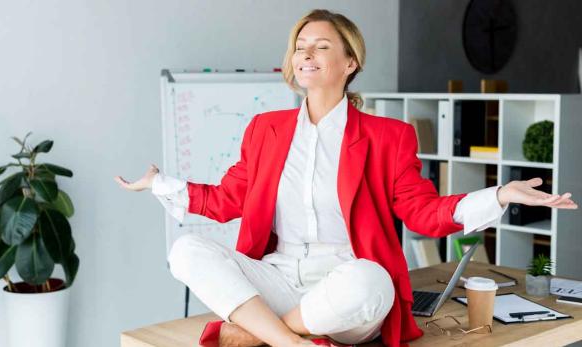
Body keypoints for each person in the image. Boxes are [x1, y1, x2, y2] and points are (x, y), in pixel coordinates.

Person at [115, 9, 577, 347]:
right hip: (276, 279)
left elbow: (422, 212)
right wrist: (160, 185)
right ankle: (291, 341)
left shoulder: (387, 136)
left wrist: (499, 194)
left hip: (343, 290)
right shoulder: (265, 130)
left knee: (370, 280)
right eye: (300, 46)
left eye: (321, 46)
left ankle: (258, 335)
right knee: (186, 249)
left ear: (350, 63)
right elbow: (227, 200)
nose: (306, 54)